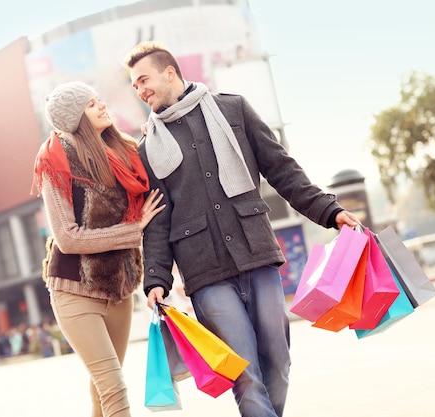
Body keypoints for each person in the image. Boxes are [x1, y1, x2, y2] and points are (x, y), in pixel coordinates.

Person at [124, 42, 361, 417]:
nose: (139, 91)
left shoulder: (232, 110)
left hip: (257, 253)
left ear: (169, 72)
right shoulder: (147, 148)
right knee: (246, 374)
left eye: (143, 80)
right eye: (134, 86)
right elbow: (158, 220)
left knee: (278, 364)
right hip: (205, 273)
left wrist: (329, 211)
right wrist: (156, 277)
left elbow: (282, 169)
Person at [31, 81, 165, 417]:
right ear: (77, 118)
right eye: (92, 105)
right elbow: (68, 238)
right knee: (113, 386)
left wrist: (157, 136)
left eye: (98, 100)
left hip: (118, 290)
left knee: (100, 391)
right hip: (74, 291)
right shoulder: (54, 162)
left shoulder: (126, 152)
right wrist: (135, 230)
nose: (102, 106)